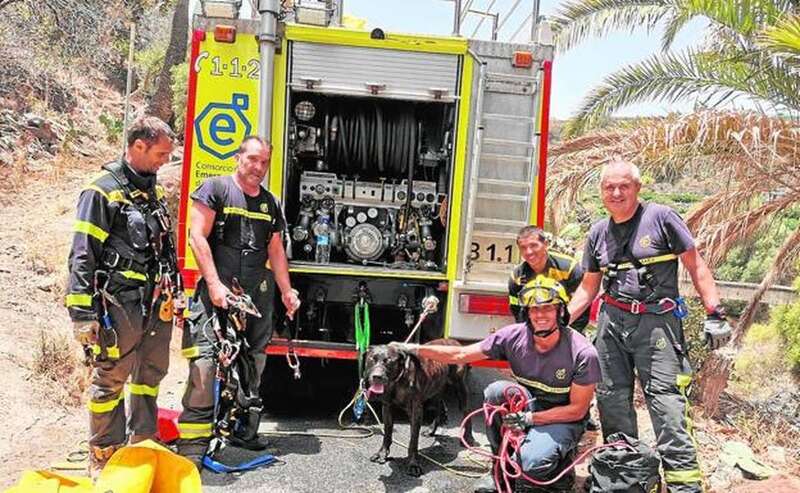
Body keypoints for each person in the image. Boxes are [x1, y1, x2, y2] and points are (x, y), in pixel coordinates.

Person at [567, 159, 732, 493]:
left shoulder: (661, 218)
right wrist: (558, 320)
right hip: (612, 324)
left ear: (637, 188)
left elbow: (696, 266)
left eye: (623, 186)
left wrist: (715, 311)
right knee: (611, 399)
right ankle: (625, 480)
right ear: (601, 192)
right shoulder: (598, 232)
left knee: (666, 404)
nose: (616, 193)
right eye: (609, 187)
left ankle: (684, 486)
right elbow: (588, 287)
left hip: (657, 325)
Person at [392, 276, 600, 493]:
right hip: (529, 403)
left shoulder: (583, 353)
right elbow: (461, 353)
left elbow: (577, 410)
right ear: (526, 313)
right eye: (534, 309)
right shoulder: (514, 336)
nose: (541, 315)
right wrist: (414, 349)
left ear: (561, 312)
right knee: (496, 391)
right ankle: (498, 471)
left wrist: (529, 419)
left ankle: (561, 472)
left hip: (563, 417)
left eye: (548, 308)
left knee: (530, 463)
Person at [176, 136, 301, 468]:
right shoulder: (215, 189)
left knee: (253, 363)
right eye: (253, 160)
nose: (258, 168)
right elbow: (196, 236)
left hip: (256, 295)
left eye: (264, 162)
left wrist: (287, 291)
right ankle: (193, 445)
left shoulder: (270, 203)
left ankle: (242, 430)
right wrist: (215, 285)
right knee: (204, 364)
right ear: (238, 158)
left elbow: (275, 250)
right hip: (217, 290)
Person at [66, 116, 178, 479]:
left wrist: (174, 290)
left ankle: (143, 444)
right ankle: (104, 453)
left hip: (154, 301)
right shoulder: (100, 191)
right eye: (161, 154)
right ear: (138, 146)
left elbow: (165, 247)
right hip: (118, 304)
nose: (165, 161)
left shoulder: (153, 193)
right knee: (110, 378)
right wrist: (82, 312)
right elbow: (83, 253)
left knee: (150, 374)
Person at [509, 225, 589, 332]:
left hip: (567, 330)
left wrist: (567, 334)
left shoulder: (569, 268)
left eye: (533, 245)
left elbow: (582, 307)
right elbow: (517, 311)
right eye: (523, 248)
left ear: (545, 244)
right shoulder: (517, 276)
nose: (529, 252)